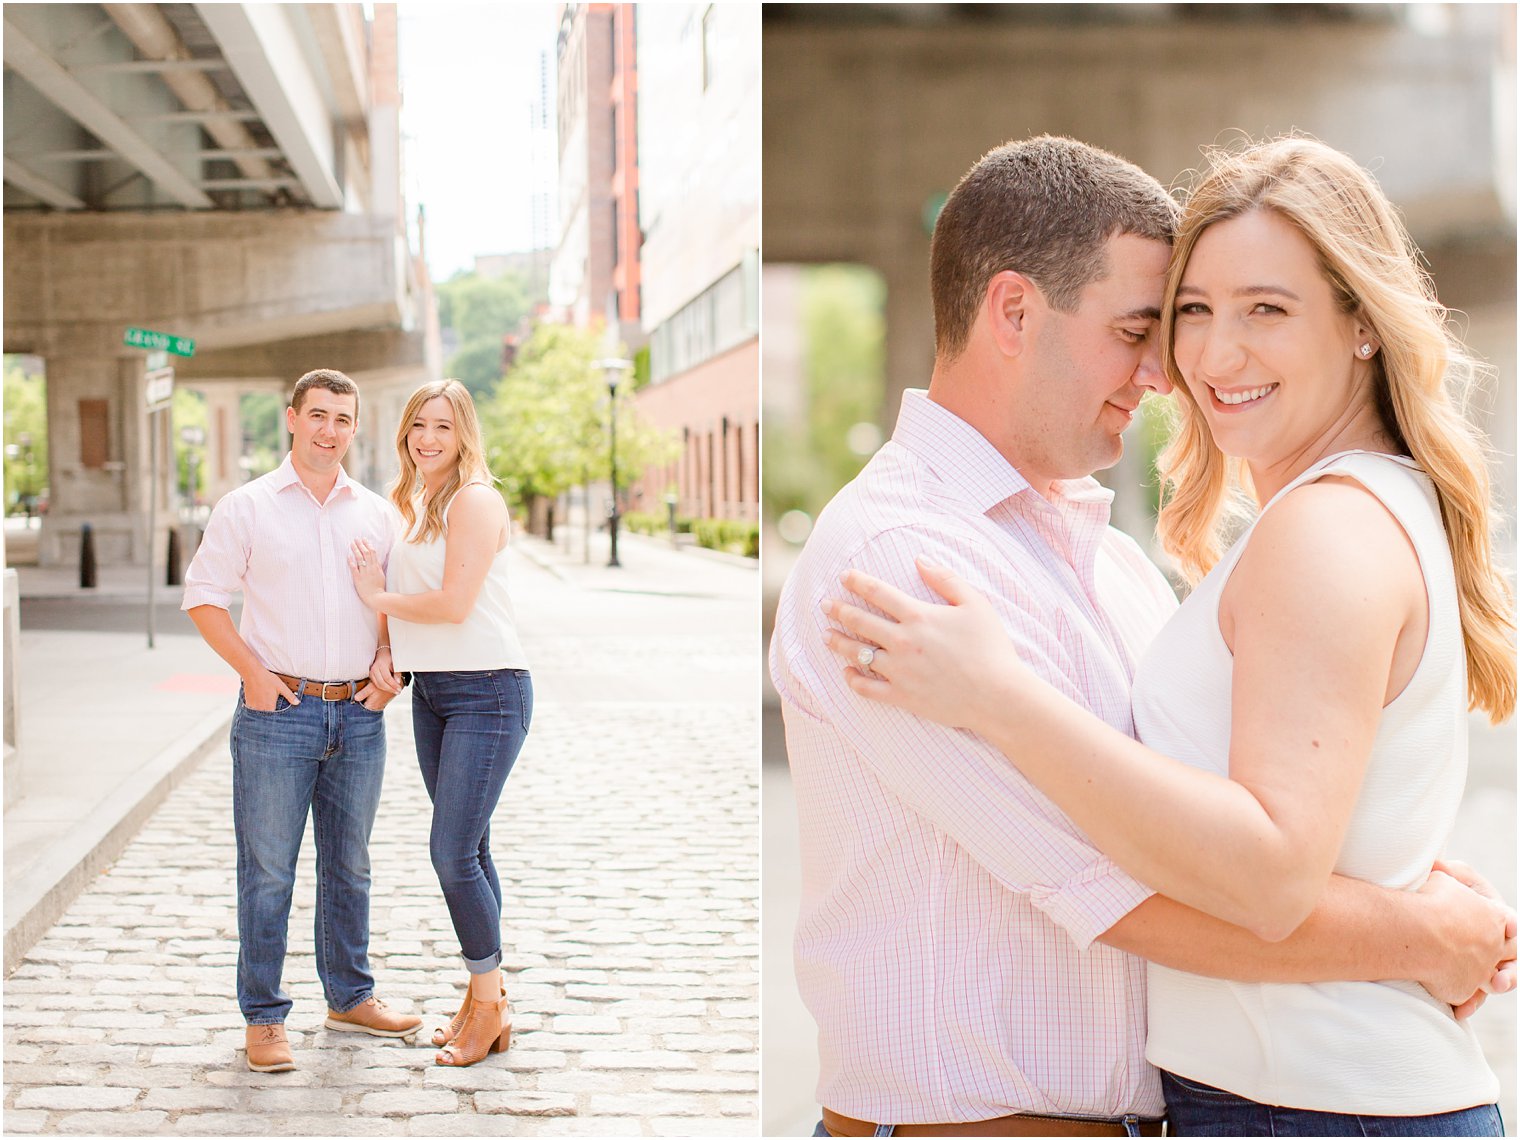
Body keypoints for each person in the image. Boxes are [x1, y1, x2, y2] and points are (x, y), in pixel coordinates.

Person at [769, 136, 1515, 1138]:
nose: (1172, 369)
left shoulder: (1115, 563)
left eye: (1259, 309)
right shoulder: (902, 564)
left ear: (1359, 325)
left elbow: (1216, 828)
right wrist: (1418, 930)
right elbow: (1117, 890)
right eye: (1150, 325)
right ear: (1013, 312)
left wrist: (1408, 890)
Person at [183, 368, 422, 1074]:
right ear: (291, 418)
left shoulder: (379, 515)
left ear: (355, 428)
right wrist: (252, 673)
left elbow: (395, 607)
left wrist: (389, 666)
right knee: (267, 872)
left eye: (342, 419)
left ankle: (350, 996)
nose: (329, 430)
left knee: (350, 867)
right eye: (317, 415)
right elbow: (203, 597)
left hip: (358, 714)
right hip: (276, 714)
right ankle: (263, 1016)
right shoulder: (247, 507)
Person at [347, 378, 531, 1068]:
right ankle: (485, 997)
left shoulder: (476, 500)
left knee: (451, 853)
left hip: (490, 692)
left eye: (443, 428)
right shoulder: (417, 501)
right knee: (472, 849)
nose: (428, 438)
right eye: (418, 425)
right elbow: (417, 611)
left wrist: (375, 594)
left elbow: (455, 604)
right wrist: (389, 647)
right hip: (435, 694)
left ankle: (489, 1004)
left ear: (464, 437)